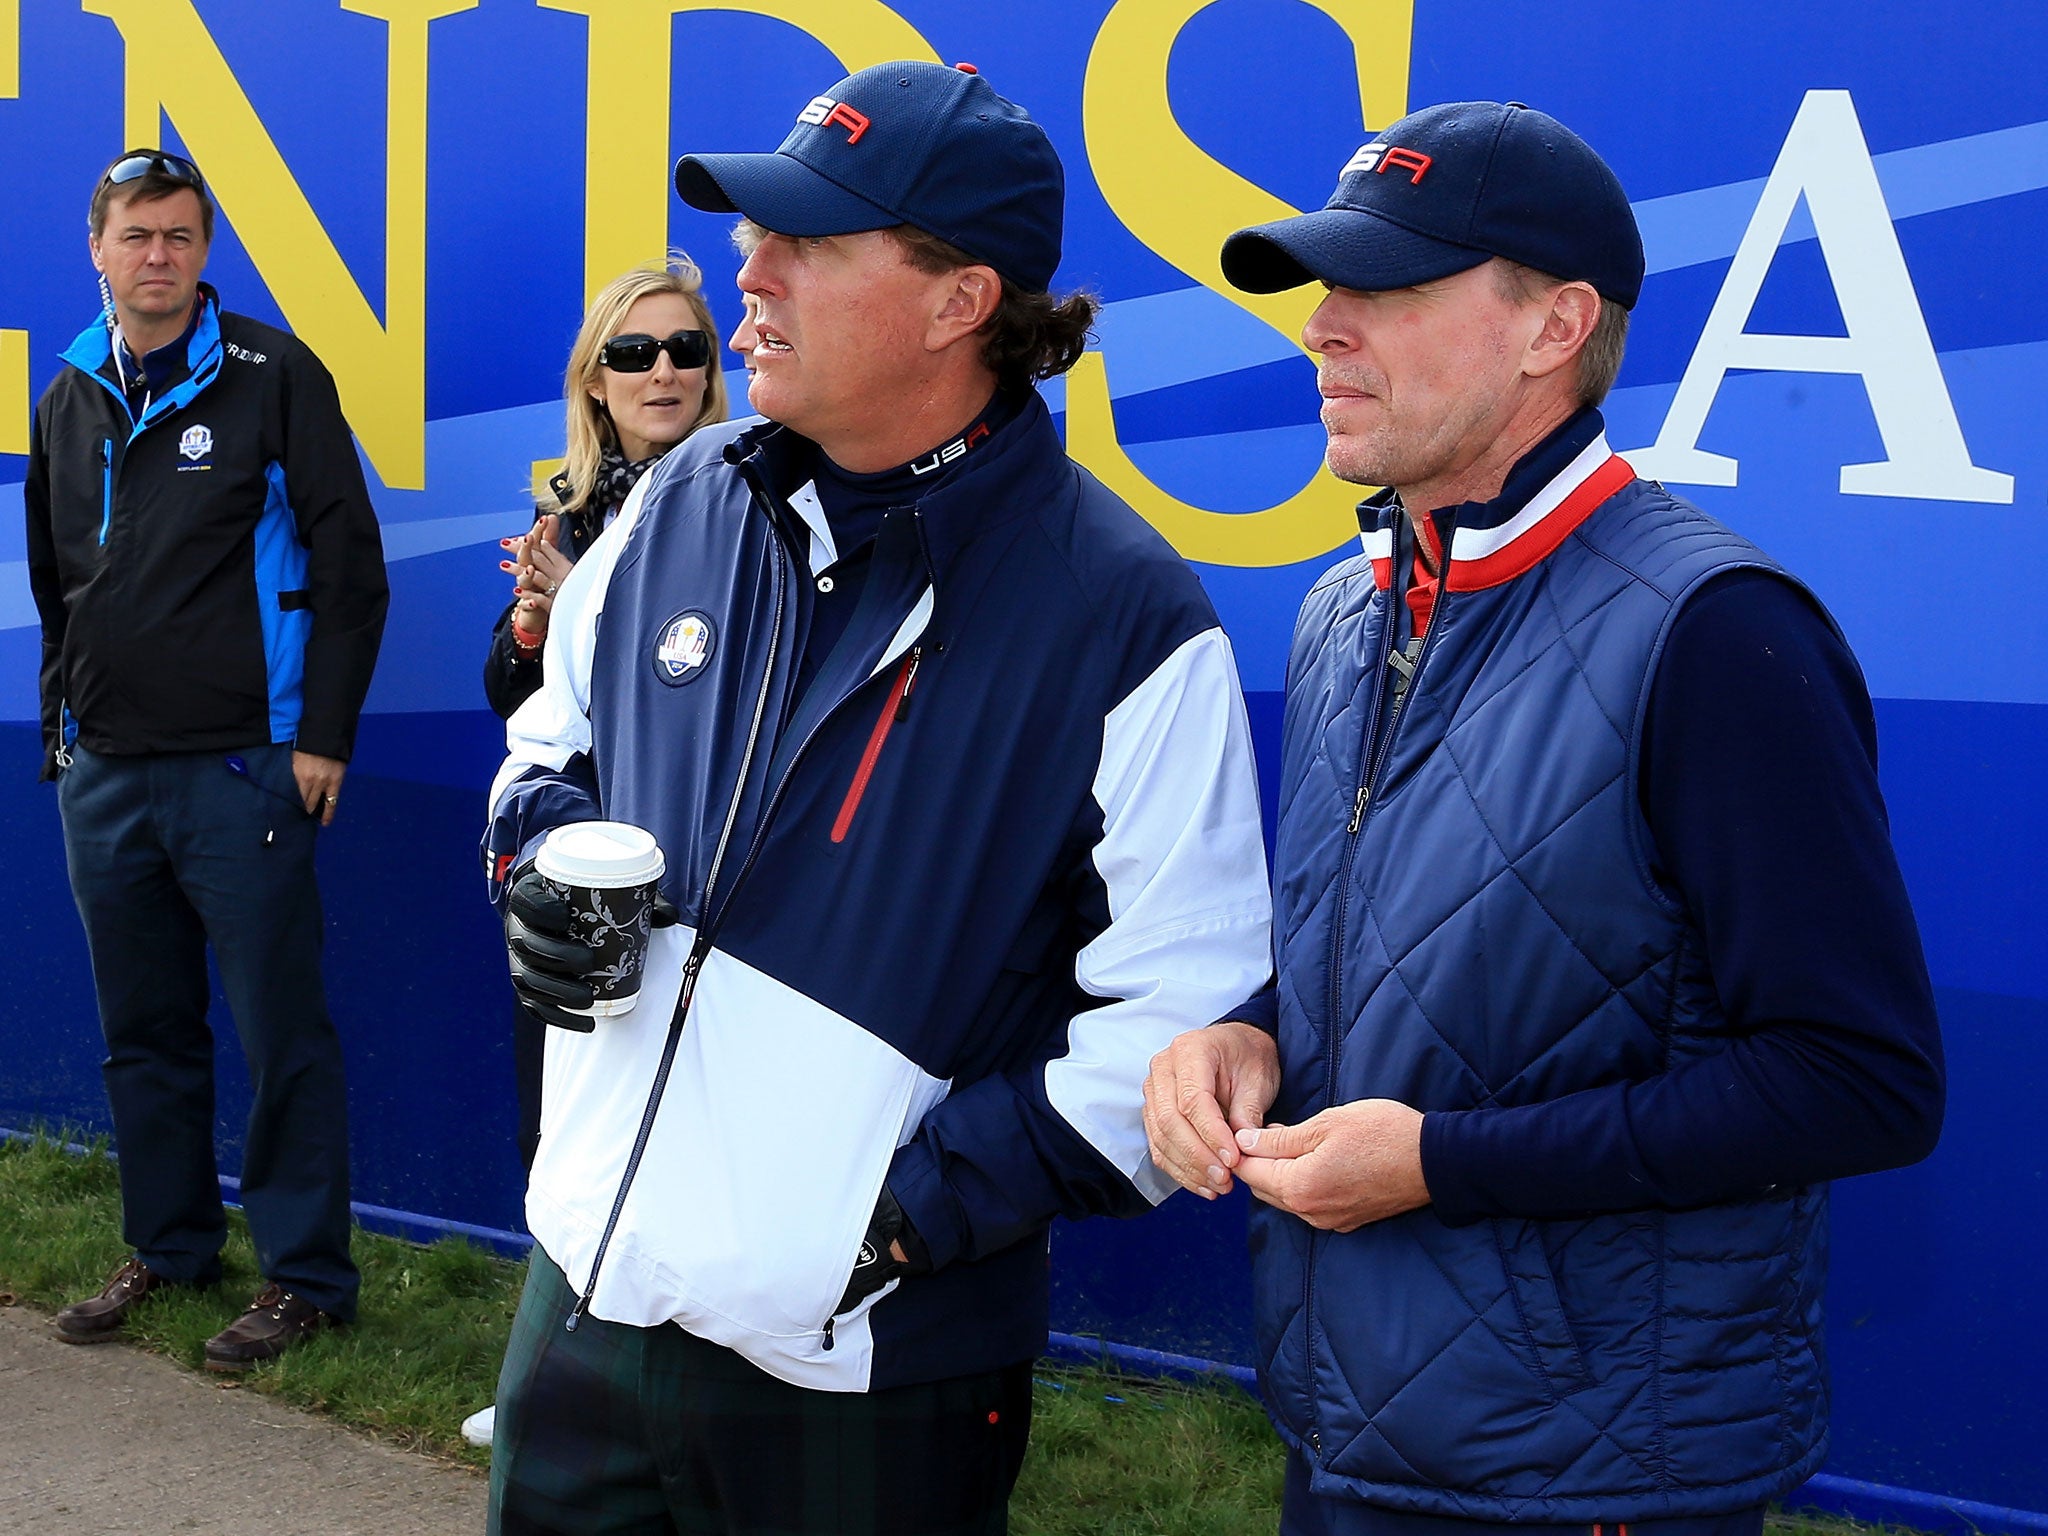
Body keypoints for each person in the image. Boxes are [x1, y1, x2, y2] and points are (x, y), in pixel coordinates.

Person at [481, 61, 1271, 1535]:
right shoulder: (679, 496)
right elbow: (550, 742)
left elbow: (1186, 1013)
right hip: (583, 1299)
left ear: (961, 300)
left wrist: (889, 1225)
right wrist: (534, 855)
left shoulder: (1125, 615)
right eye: (752, 238)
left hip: (870, 1366)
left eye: (809, 245)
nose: (749, 276)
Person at [1143, 102, 1945, 1536]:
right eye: (1326, 291)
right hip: (1349, 1433)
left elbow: (1859, 1080)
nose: (1325, 328)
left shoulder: (1715, 632)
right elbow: (1425, 957)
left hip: (1596, 1480)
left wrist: (1442, 1165)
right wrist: (1248, 1031)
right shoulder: (1346, 608)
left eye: (1381, 289)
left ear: (1552, 328)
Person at [24, 149, 388, 1369]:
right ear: (98, 249)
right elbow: (58, 582)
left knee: (280, 1030)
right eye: (137, 235)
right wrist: (64, 728)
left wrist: (322, 737)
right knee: (145, 1031)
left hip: (245, 769)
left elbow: (350, 570)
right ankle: (170, 1247)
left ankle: (306, 1280)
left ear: (205, 250)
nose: (159, 257)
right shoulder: (68, 391)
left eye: (180, 235)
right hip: (109, 775)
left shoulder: (272, 374)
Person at [462, 259, 726, 1451]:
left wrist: (594, 611)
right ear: (596, 381)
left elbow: (696, 678)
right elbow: (521, 699)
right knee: (558, 1119)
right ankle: (555, 1371)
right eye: (634, 353)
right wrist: (536, 623)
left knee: (683, 1133)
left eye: (684, 349)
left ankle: (684, 1392)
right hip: (571, 868)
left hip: (700, 876)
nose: (662, 370)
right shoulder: (568, 509)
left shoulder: (749, 496)